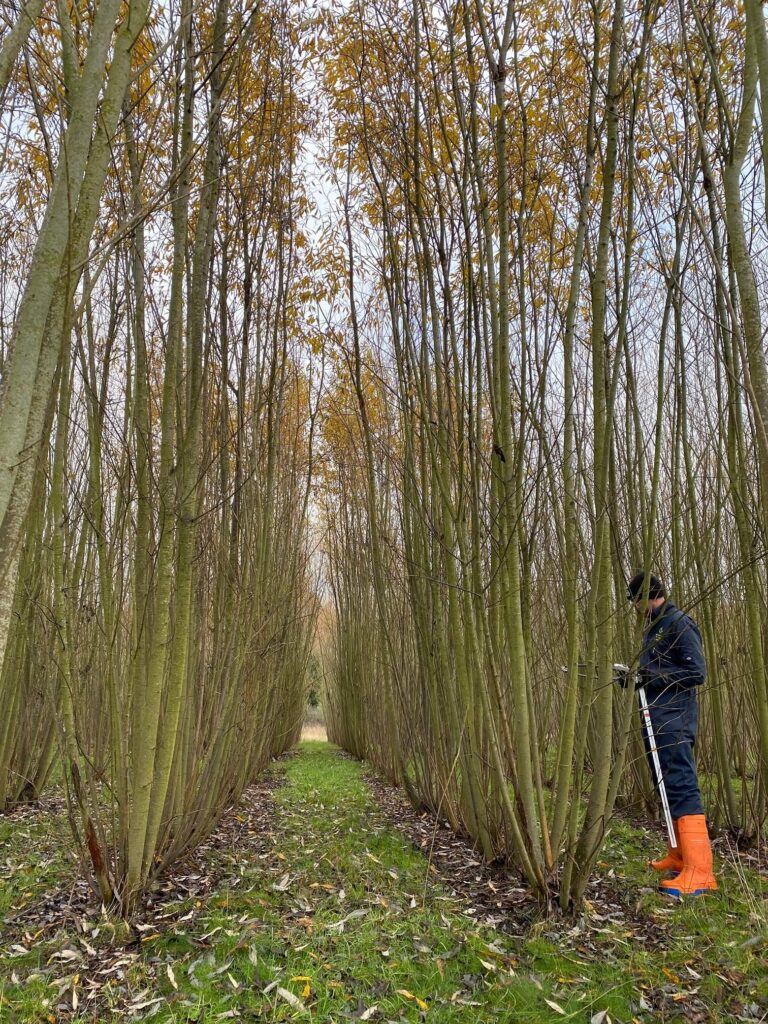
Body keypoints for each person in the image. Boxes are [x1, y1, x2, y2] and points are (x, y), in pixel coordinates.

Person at [623, 570, 718, 898]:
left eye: (635, 601)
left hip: (675, 720)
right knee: (666, 788)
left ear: (644, 597)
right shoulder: (654, 627)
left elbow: (695, 673)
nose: (635, 609)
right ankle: (679, 856)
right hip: (656, 719)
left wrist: (649, 675)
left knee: (681, 786)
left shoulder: (678, 623)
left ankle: (701, 872)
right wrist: (635, 678)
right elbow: (655, 672)